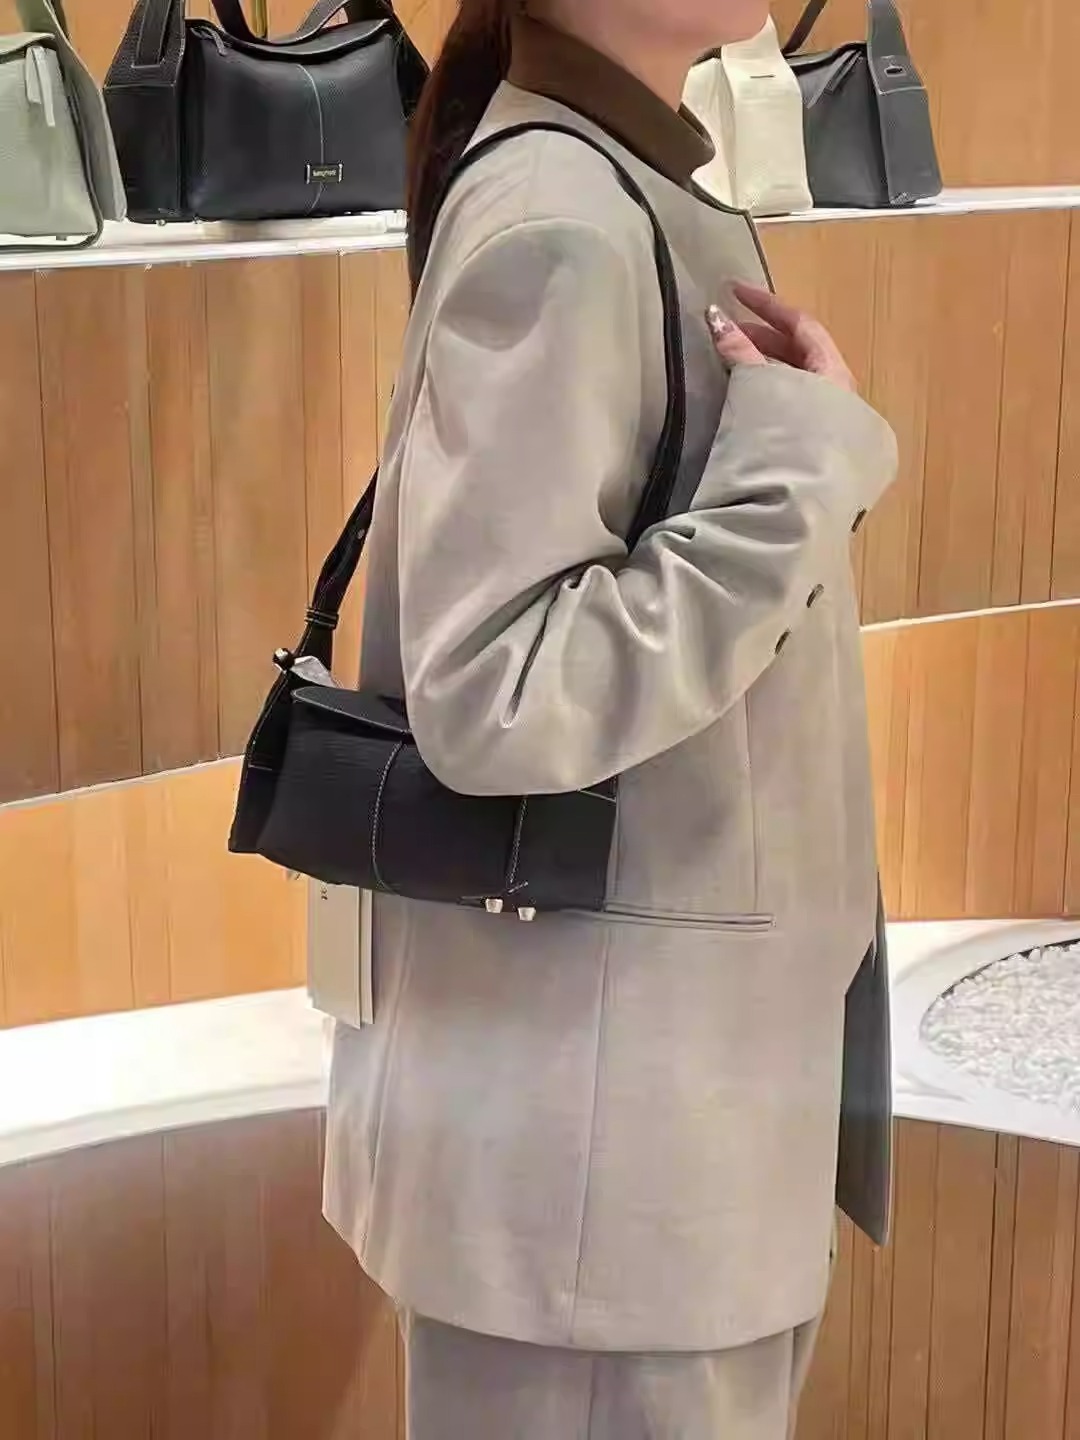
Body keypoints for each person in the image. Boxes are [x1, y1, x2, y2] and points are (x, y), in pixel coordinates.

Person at [323, 1, 898, 1435]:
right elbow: (498, 693)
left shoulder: (622, 183)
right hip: (604, 1174)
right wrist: (797, 477)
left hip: (644, 1136)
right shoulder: (563, 216)